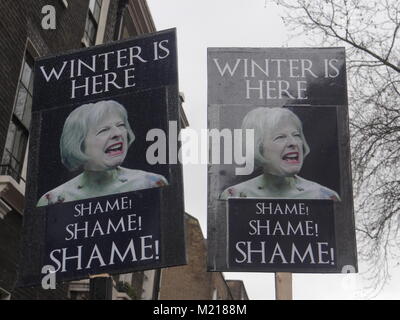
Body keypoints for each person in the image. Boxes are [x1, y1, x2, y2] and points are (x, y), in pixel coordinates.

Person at [37, 100, 168, 206]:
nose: (118, 133)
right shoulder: (51, 200)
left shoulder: (152, 184)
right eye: (104, 130)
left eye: (121, 125)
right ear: (78, 144)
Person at [220, 107, 340, 201]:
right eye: (280, 137)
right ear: (258, 147)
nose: (293, 143)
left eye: (296, 135)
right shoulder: (233, 196)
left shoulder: (325, 197)